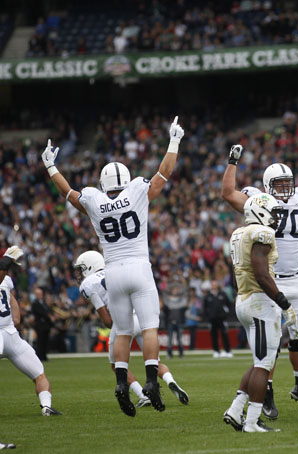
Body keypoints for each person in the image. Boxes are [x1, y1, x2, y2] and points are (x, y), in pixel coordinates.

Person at [41, 116, 185, 415]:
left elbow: (68, 194)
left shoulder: (94, 199)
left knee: (120, 331)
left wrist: (51, 167)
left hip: (113, 270)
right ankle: (151, 383)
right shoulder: (136, 190)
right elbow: (164, 173)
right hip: (139, 267)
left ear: (104, 183)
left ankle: (121, 383)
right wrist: (174, 141)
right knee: (149, 329)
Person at [221, 144, 298, 416]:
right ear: (266, 185)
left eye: (288, 183)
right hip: (271, 280)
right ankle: (267, 390)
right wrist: (232, 163)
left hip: (297, 278)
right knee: (271, 340)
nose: (285, 188)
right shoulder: (259, 201)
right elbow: (228, 193)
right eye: (279, 184)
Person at [74, 251, 189, 410]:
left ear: (89, 266)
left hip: (124, 322)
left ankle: (142, 395)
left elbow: (107, 321)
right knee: (153, 362)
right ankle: (171, 381)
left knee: (116, 366)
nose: (79, 274)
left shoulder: (88, 284)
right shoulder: (114, 272)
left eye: (81, 269)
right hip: (141, 318)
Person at [222, 193, 296, 432]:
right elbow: (262, 273)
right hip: (260, 302)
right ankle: (252, 421)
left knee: (259, 362)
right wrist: (283, 302)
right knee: (264, 365)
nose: (275, 219)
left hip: (243, 299)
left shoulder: (238, 233)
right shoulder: (262, 234)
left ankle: (235, 409)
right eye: (272, 213)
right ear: (260, 212)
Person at [0, 246, 62, 416]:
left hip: (8, 332)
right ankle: (46, 406)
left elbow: (12, 300)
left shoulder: (5, 280)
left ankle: (47, 407)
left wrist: (16, 320)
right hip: (9, 333)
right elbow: (12, 301)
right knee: (39, 373)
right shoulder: (5, 279)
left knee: (39, 372)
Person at [203, 280, 233, 358]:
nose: (214, 286)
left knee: (225, 335)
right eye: (213, 284)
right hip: (212, 319)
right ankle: (216, 351)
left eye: (215, 284)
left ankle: (228, 351)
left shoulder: (222, 294)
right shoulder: (207, 296)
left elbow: (229, 305)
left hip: (222, 319)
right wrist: (208, 316)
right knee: (214, 336)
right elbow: (205, 308)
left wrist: (225, 314)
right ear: (211, 286)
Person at [163, 274, 189, 359]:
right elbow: (164, 292)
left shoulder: (182, 299)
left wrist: (182, 281)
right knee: (170, 340)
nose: (175, 291)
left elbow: (186, 291)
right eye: (174, 290)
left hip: (179, 322)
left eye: (177, 290)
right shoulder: (168, 300)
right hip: (170, 322)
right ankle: (169, 354)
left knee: (180, 340)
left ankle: (181, 354)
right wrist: (168, 282)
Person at [30, 287, 53, 362]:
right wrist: (49, 316)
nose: (40, 295)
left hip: (46, 325)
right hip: (40, 325)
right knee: (40, 341)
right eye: (38, 294)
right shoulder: (35, 303)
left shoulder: (44, 303)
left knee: (46, 341)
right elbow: (41, 313)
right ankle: (40, 356)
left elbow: (48, 311)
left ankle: (44, 356)